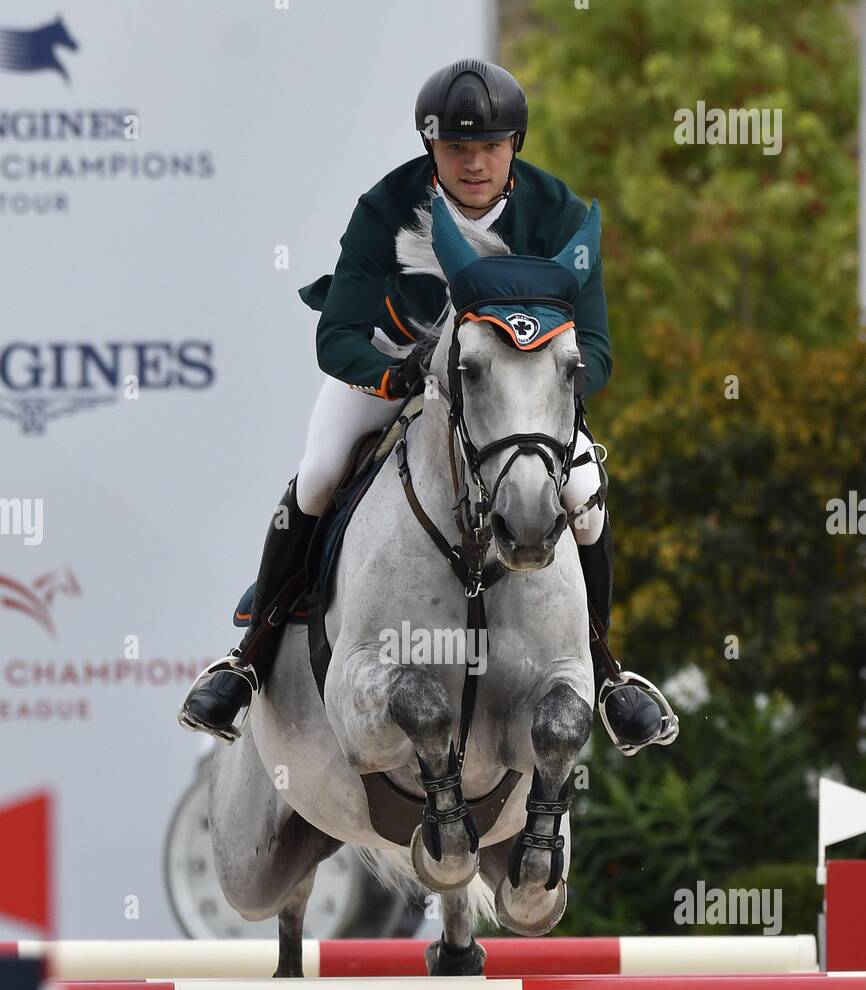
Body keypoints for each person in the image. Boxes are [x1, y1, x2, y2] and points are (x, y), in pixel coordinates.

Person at [179, 59, 673, 753]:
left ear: (515, 147)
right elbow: (338, 335)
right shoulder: (385, 207)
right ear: (430, 147)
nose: (474, 164)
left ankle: (607, 673)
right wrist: (396, 374)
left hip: (511, 399)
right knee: (320, 473)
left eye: (490, 148)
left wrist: (538, 395)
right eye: (456, 149)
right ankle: (250, 656)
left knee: (585, 498)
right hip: (391, 369)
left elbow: (595, 345)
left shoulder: (559, 214)